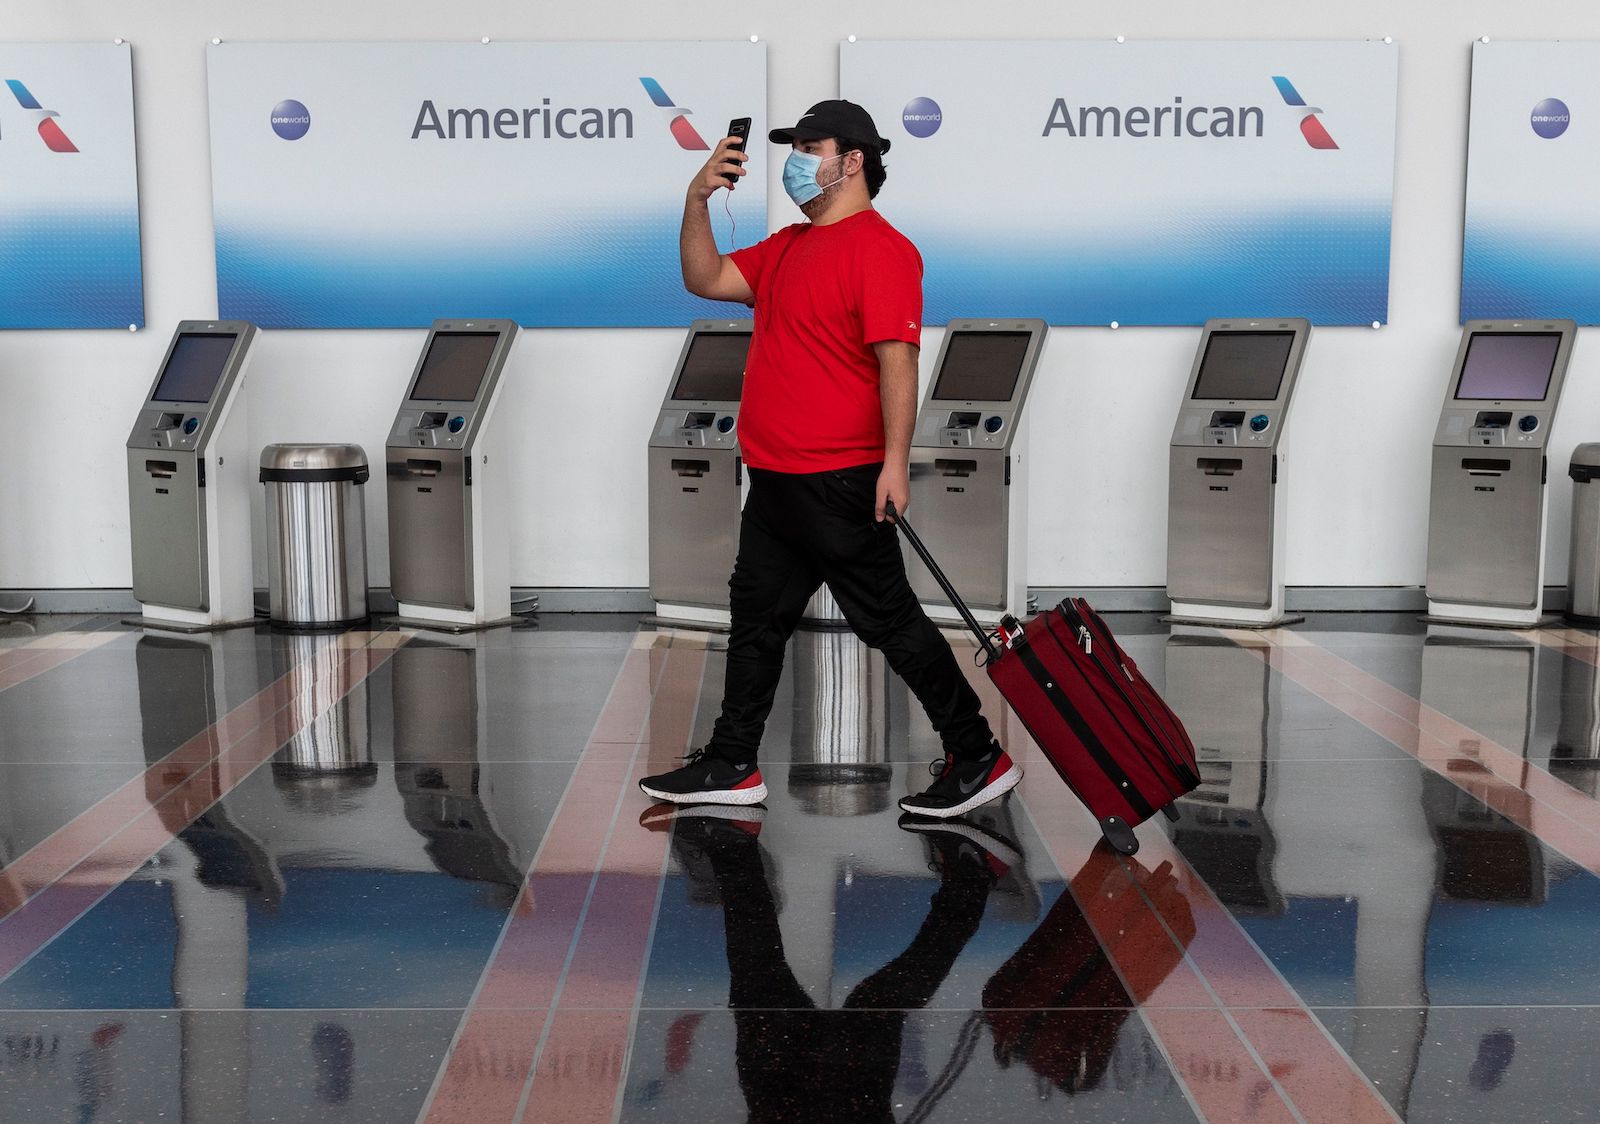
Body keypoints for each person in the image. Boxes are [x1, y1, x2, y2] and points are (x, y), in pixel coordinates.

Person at [639, 99, 1020, 819]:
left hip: (839, 479)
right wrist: (695, 199)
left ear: (852, 161)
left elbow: (898, 361)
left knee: (890, 622)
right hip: (777, 479)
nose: (796, 159)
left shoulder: (881, 249)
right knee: (755, 618)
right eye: (795, 146)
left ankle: (977, 754)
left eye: (809, 145)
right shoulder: (786, 248)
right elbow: (706, 278)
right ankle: (732, 762)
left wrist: (895, 462)